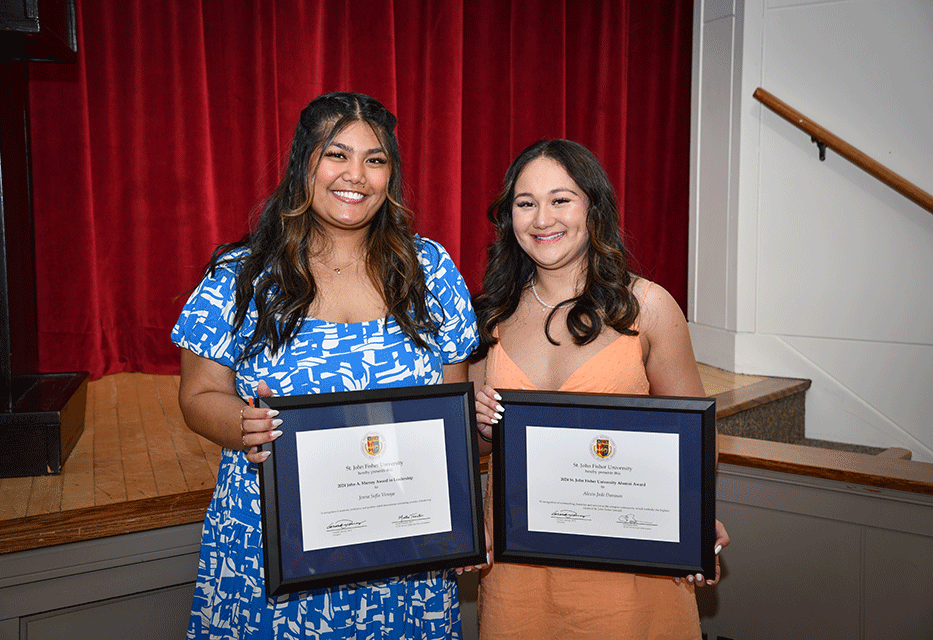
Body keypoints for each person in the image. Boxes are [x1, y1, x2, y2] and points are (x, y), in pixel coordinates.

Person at [172, 92, 479, 639]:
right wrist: (243, 425)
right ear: (304, 163)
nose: (355, 175)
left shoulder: (430, 270)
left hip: (401, 547)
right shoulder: (241, 276)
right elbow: (198, 397)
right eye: (337, 155)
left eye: (375, 159)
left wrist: (459, 525)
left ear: (391, 175)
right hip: (273, 543)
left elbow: (448, 416)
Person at [469, 139, 730, 639]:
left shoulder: (648, 307)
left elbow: (699, 442)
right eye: (526, 203)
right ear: (510, 217)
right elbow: (481, 444)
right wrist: (480, 424)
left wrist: (691, 523)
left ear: (594, 207)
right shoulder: (490, 314)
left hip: (629, 575)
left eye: (561, 199)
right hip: (520, 574)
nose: (542, 218)